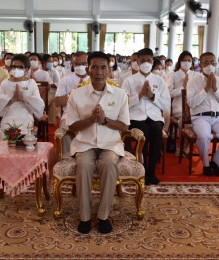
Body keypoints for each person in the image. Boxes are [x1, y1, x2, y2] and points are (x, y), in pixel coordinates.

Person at [66, 51, 130, 234]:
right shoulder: (76, 95)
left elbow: (124, 126)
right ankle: (84, 217)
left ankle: (103, 216)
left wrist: (105, 121)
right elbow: (72, 126)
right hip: (84, 144)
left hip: (110, 144)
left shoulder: (119, 94)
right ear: (88, 70)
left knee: (109, 163)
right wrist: (91, 120)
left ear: (110, 71)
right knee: (84, 165)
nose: (99, 71)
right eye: (94, 67)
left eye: (103, 67)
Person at [121, 48, 171, 185]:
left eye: (148, 60)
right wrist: (140, 95)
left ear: (152, 61)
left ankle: (151, 172)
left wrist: (152, 96)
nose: (145, 63)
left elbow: (166, 105)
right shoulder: (129, 81)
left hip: (154, 117)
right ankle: (141, 171)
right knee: (143, 132)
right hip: (135, 117)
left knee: (156, 131)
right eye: (142, 61)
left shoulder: (159, 81)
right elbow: (123, 104)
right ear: (137, 62)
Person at [187, 52, 219, 177]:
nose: (210, 65)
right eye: (206, 63)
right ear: (201, 65)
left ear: (216, 63)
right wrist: (206, 89)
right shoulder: (193, 81)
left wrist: (215, 90)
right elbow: (191, 103)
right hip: (200, 117)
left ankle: (216, 162)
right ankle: (206, 164)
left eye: (212, 62)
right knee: (203, 136)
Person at [0, 54, 45, 145]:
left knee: (23, 133)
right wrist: (13, 99)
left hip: (25, 115)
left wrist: (23, 99)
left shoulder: (31, 83)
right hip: (9, 114)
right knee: (7, 131)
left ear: (26, 70)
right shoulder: (5, 83)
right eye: (14, 67)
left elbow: (39, 104)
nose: (16, 69)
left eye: (20, 67)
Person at [55, 51, 90, 154]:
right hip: (69, 115)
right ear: (73, 64)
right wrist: (73, 93)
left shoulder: (94, 79)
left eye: (83, 64)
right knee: (65, 132)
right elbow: (57, 102)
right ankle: (66, 159)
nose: (80, 66)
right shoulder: (66, 80)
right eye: (77, 64)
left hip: (90, 115)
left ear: (88, 64)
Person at [167, 51, 198, 154]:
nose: (187, 62)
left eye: (189, 60)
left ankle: (188, 144)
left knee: (197, 119)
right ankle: (181, 144)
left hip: (194, 106)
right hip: (178, 106)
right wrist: (183, 88)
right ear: (180, 62)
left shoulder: (196, 75)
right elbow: (169, 93)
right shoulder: (173, 75)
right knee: (184, 118)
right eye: (184, 60)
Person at [41, 54, 60, 125]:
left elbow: (58, 84)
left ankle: (45, 118)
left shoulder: (54, 71)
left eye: (52, 62)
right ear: (44, 62)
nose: (51, 64)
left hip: (51, 91)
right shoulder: (39, 70)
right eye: (49, 62)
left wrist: (50, 84)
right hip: (39, 91)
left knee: (47, 100)